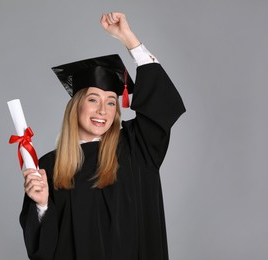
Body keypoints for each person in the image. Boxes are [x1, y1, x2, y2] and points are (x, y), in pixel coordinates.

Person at [19, 12, 186, 260]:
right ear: (76, 106)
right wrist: (42, 206)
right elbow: (44, 249)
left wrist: (128, 38)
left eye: (111, 103)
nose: (102, 111)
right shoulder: (49, 166)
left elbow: (163, 105)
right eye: (93, 99)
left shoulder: (134, 148)